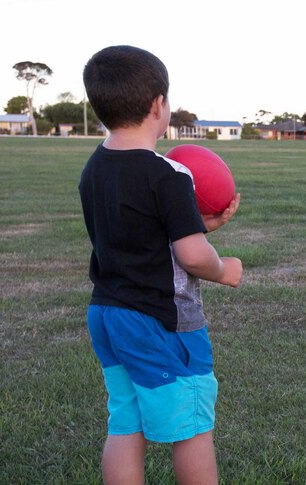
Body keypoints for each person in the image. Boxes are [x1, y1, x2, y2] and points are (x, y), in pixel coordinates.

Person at [79, 45, 243, 485]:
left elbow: (139, 234)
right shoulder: (168, 174)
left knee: (126, 422)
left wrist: (196, 225)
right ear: (158, 104)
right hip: (160, 321)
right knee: (190, 427)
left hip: (106, 314)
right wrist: (223, 268)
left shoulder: (93, 168)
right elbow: (190, 257)